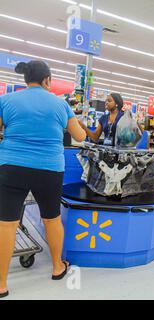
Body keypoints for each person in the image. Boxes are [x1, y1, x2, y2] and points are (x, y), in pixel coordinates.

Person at [0, 60, 86, 298]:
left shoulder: (6, 100)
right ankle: (58, 267)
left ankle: (1, 284)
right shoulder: (60, 104)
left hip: (11, 166)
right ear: (48, 80)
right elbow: (78, 135)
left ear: (26, 80)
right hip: (49, 168)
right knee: (51, 218)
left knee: (6, 224)